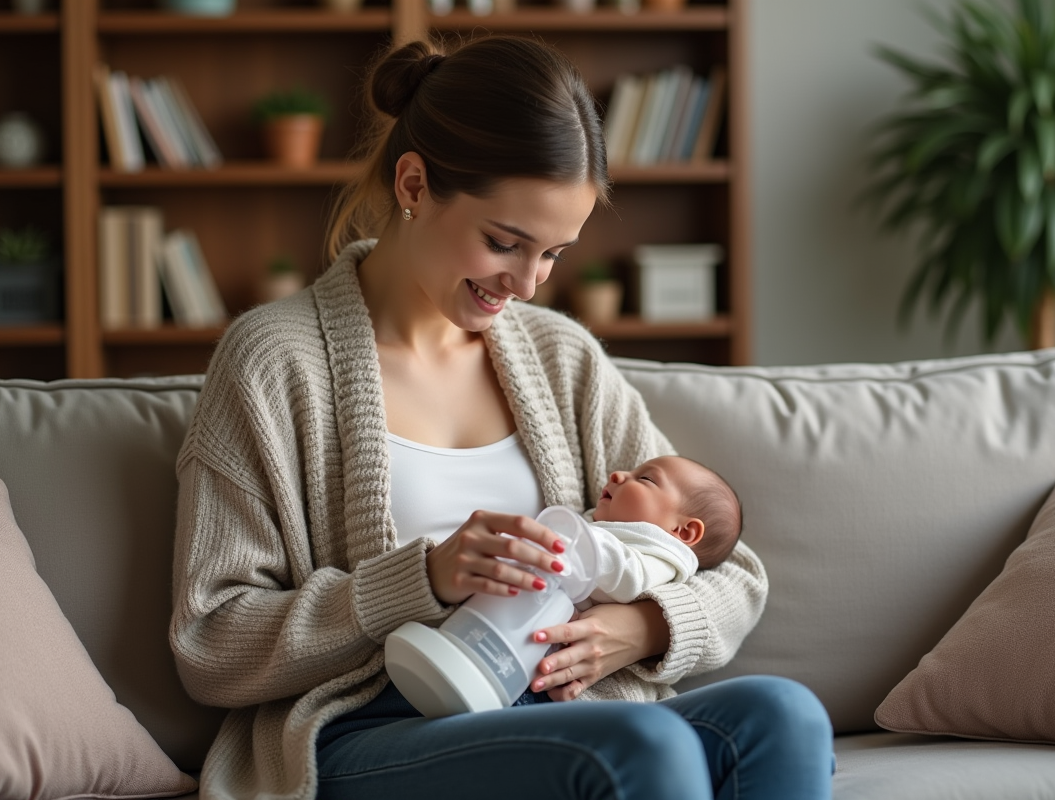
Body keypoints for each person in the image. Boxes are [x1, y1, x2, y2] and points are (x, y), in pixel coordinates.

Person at [169, 34, 834, 800]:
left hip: (560, 710)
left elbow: (729, 569)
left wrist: (644, 627)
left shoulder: (561, 358)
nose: (527, 283)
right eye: (504, 243)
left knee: (785, 716)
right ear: (414, 184)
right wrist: (420, 578)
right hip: (374, 724)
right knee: (637, 746)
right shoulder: (273, 361)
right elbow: (210, 641)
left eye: (553, 254)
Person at [580, 455, 742, 605]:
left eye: (645, 478)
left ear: (684, 531)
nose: (616, 474)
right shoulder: (600, 521)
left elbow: (629, 578)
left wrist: (581, 541)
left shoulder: (663, 560)